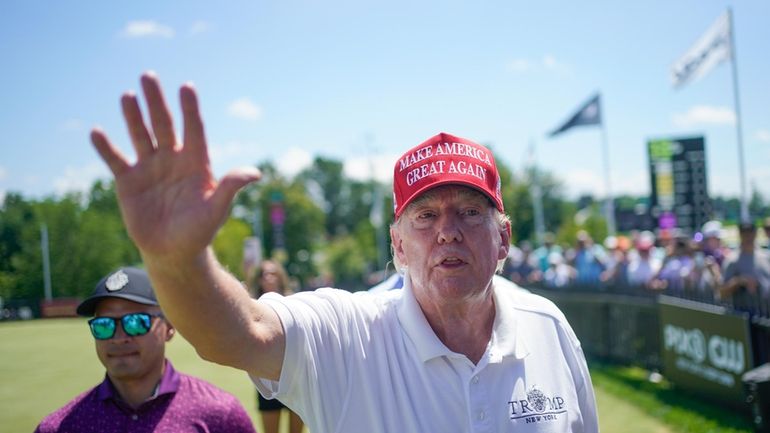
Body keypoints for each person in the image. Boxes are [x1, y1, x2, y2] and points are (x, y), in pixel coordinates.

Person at [90, 72, 599, 432]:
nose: (447, 231)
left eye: (469, 211)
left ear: (503, 238)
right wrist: (177, 259)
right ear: (398, 245)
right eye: (425, 216)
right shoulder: (347, 333)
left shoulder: (547, 327)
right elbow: (236, 334)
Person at [35, 267, 256, 433]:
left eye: (136, 322)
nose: (119, 338)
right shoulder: (60, 427)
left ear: (169, 326)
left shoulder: (220, 415)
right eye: (104, 325)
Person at [249, 260, 304, 433]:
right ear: (258, 279)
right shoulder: (252, 304)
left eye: (273, 273)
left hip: (295, 376)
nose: (269, 277)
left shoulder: (294, 301)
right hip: (266, 376)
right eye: (264, 274)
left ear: (280, 277)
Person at [720, 222, 770, 312]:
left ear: (755, 234)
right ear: (740, 234)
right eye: (745, 233)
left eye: (751, 232)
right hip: (748, 316)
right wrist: (739, 281)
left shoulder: (765, 256)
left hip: (766, 314)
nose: (748, 236)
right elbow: (722, 293)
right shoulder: (732, 260)